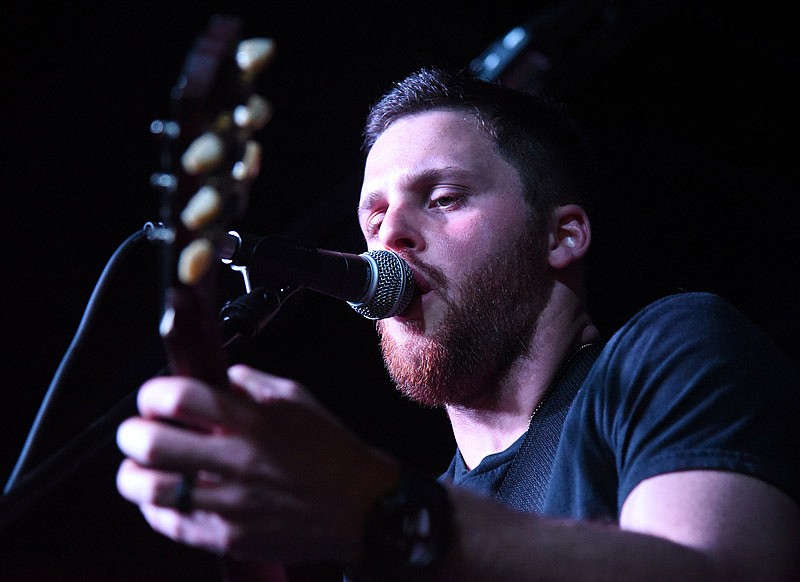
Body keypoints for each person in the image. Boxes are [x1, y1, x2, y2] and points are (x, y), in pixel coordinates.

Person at [115, 67, 800, 580]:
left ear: (561, 236)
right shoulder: (392, 529)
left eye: (441, 198)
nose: (392, 236)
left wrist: (384, 514)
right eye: (372, 217)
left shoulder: (670, 351)